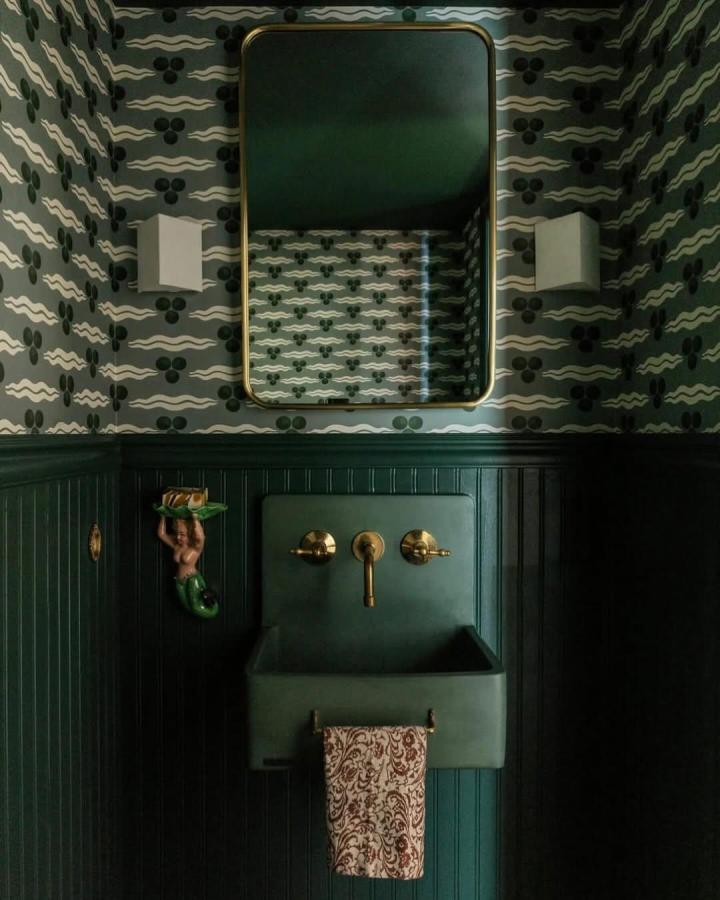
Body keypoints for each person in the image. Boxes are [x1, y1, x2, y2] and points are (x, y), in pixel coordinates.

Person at [157, 513, 218, 618]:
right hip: (179, 582)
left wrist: (195, 519)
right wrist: (163, 516)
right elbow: (162, 534)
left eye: (182, 534)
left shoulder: (195, 548)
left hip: (192, 580)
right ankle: (212, 606)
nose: (178, 537)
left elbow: (200, 538)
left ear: (189, 533)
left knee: (195, 607)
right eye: (177, 533)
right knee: (187, 606)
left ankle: (214, 608)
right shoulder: (177, 546)